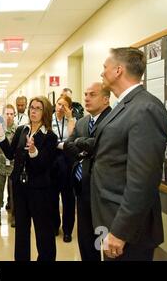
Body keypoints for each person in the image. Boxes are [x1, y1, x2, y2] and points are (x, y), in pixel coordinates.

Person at [87, 47, 167, 261]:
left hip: (126, 230)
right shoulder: (125, 105)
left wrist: (120, 231)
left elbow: (143, 180)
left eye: (105, 68)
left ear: (118, 70)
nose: (102, 73)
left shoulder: (145, 109)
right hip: (109, 217)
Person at [0, 96, 57, 261]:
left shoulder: (50, 136)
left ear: (45, 112)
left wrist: (34, 151)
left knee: (43, 232)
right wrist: (0, 137)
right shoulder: (22, 130)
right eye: (32, 107)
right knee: (21, 230)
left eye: (38, 108)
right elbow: (10, 153)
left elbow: (44, 165)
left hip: (40, 190)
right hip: (20, 188)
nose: (33, 111)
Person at [63, 82, 111, 261]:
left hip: (103, 193)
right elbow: (69, 145)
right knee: (86, 241)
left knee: (104, 243)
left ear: (106, 99)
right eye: (85, 94)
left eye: (92, 94)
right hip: (82, 190)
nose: (86, 98)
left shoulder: (113, 119)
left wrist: (82, 145)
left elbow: (102, 148)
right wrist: (85, 149)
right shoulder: (83, 121)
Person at [51, 95, 76, 242]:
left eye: (64, 105)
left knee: (68, 197)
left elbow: (72, 138)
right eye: (59, 104)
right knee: (53, 196)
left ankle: (67, 230)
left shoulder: (72, 121)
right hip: (53, 160)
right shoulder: (49, 119)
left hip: (67, 161)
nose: (60, 107)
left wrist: (70, 117)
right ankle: (55, 225)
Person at [0, 104, 16, 227]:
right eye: (7, 114)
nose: (9, 116)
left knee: (14, 191)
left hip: (12, 165)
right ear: (3, 115)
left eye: (12, 114)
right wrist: (0, 155)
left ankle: (14, 214)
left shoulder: (18, 130)